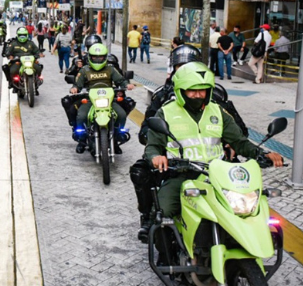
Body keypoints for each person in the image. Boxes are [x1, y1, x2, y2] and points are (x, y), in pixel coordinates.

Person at [130, 62, 283, 241]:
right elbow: (153, 145)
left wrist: (262, 154)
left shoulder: (219, 112)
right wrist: (156, 157)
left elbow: (239, 142)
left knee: (247, 207)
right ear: (180, 90)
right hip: (183, 175)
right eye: (192, 91)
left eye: (202, 90)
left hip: (219, 176)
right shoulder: (166, 113)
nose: (198, 95)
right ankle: (167, 258)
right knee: (162, 212)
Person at [70, 43, 134, 154]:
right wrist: (75, 88)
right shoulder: (85, 70)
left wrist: (127, 84)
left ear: (105, 57)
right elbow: (77, 85)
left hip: (108, 100)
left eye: (100, 57)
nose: (98, 60)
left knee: (121, 114)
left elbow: (121, 80)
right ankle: (81, 140)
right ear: (90, 57)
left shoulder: (110, 69)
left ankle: (116, 139)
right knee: (81, 116)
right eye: (95, 57)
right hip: (91, 100)